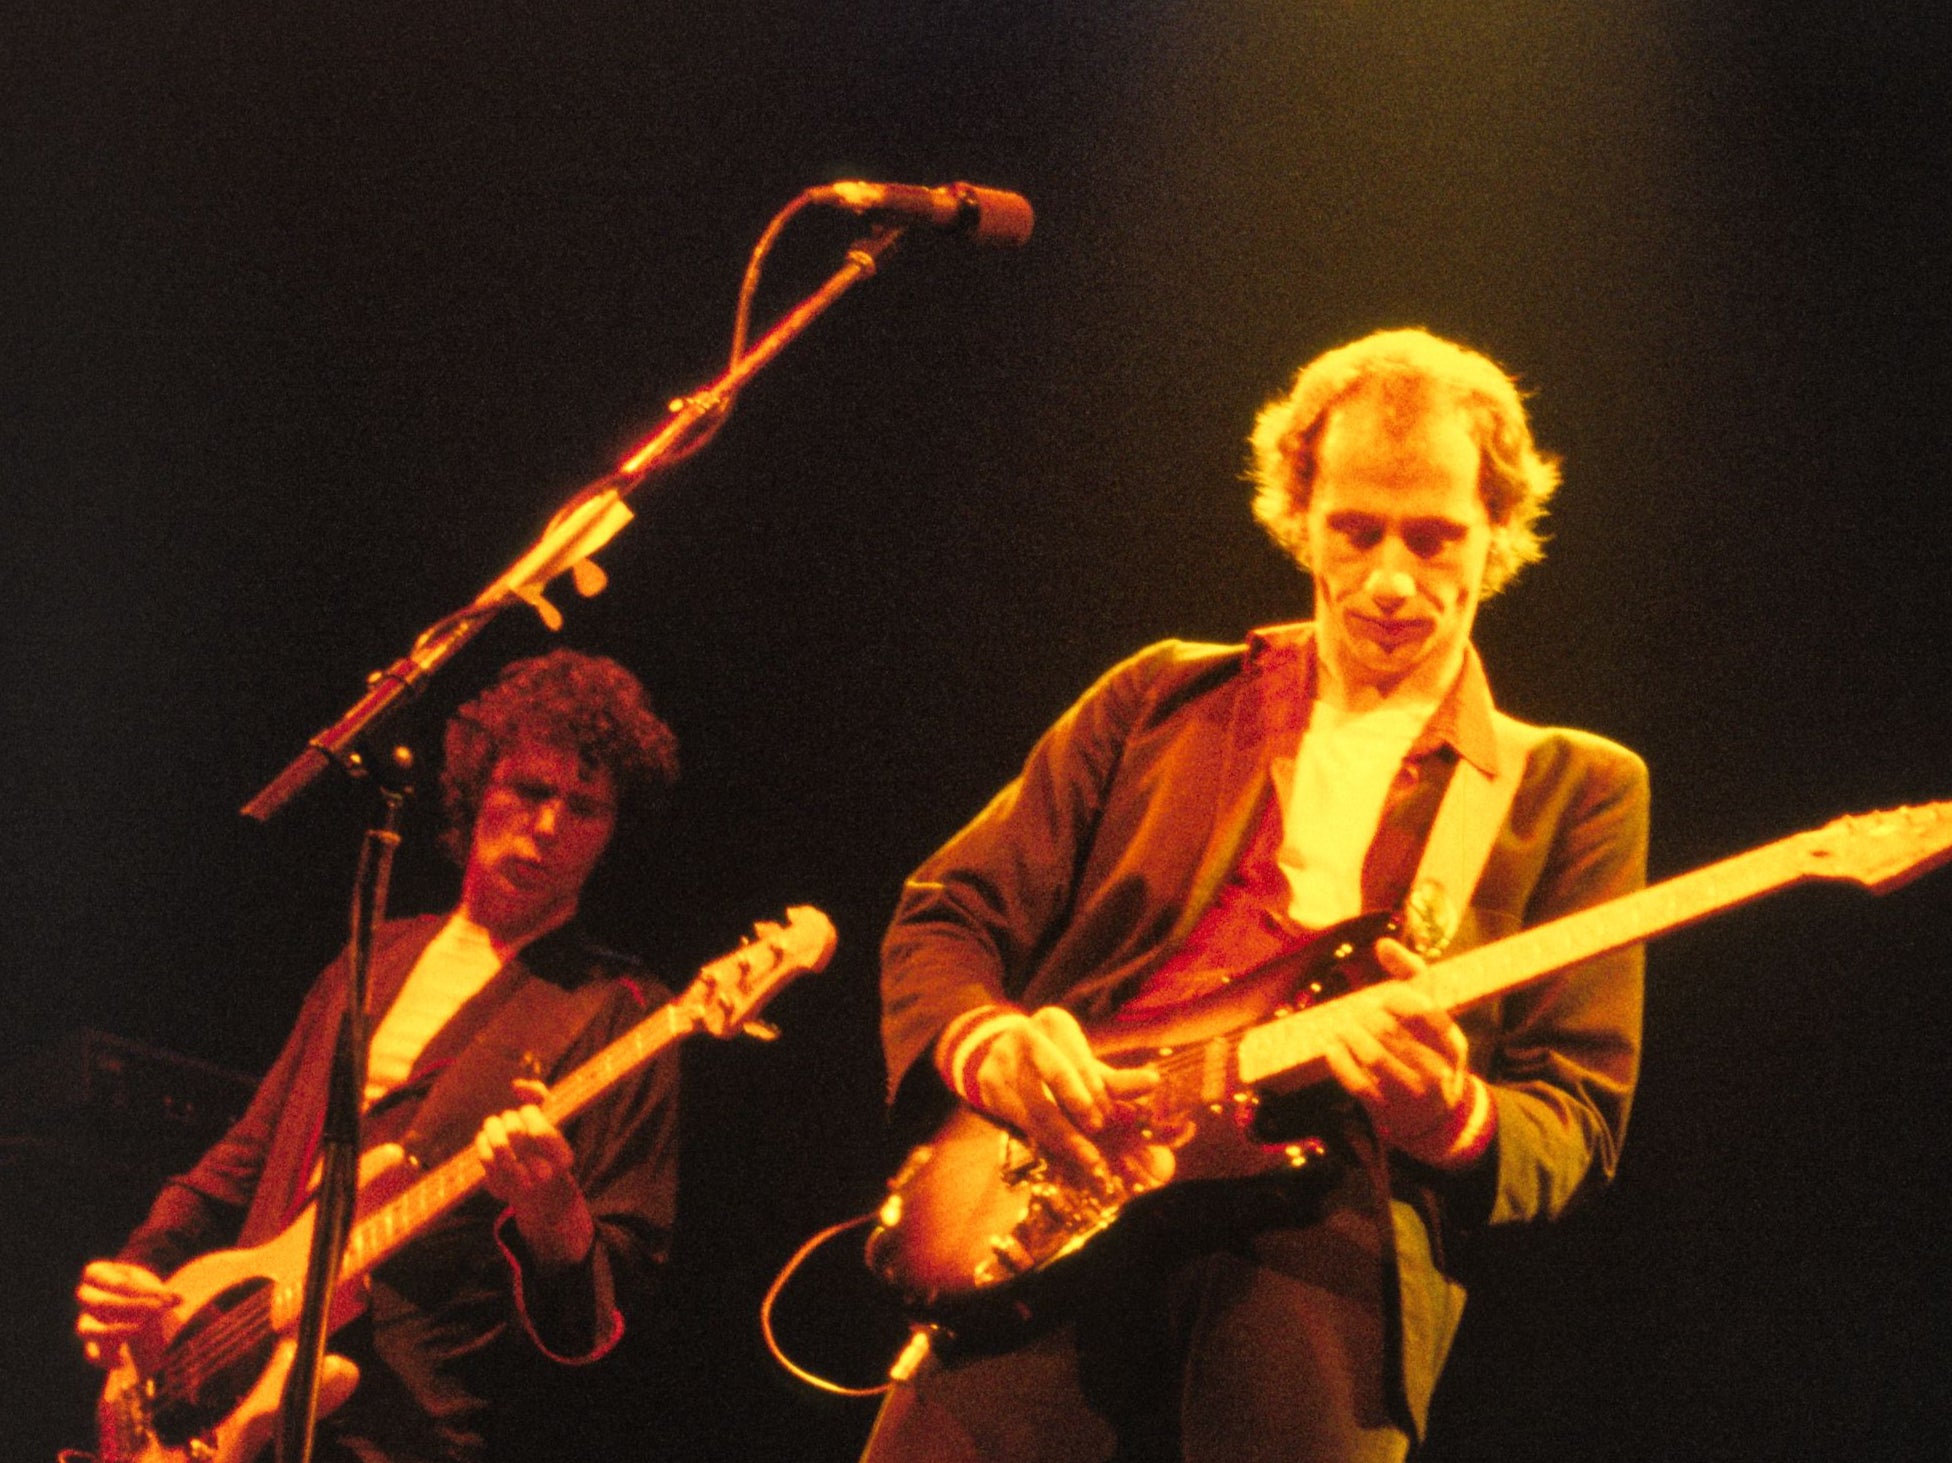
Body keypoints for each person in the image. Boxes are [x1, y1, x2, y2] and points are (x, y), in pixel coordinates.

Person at [863, 328, 1648, 1462]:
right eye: (1354, 530)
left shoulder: (1572, 786)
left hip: (1314, 1263)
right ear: (1299, 515)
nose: (1389, 579)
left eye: (1432, 540)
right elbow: (947, 911)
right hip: (1047, 1203)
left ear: (1495, 536)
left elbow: (1569, 1117)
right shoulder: (1157, 697)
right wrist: (988, 1049)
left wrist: (1448, 1116)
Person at [75, 649, 684, 1463]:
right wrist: (142, 1268)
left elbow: (602, 1319)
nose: (548, 826)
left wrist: (553, 1214)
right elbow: (244, 1158)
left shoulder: (618, 1009)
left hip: (406, 1431)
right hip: (223, 1400)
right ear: (476, 789)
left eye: (585, 807)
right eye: (531, 790)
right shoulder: (374, 953)